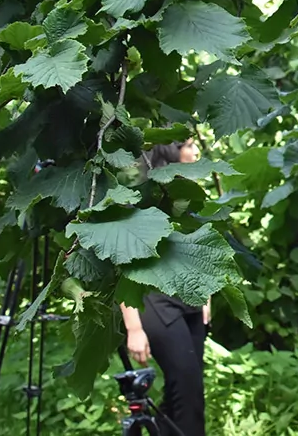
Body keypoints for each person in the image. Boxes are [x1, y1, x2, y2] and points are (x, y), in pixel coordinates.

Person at [122, 139, 210, 436]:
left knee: (185, 391)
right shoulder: (144, 198)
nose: (196, 150)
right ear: (171, 151)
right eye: (187, 144)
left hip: (191, 301)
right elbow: (124, 264)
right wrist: (133, 327)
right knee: (187, 392)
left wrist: (206, 296)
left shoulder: (191, 194)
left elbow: (199, 248)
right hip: (155, 301)